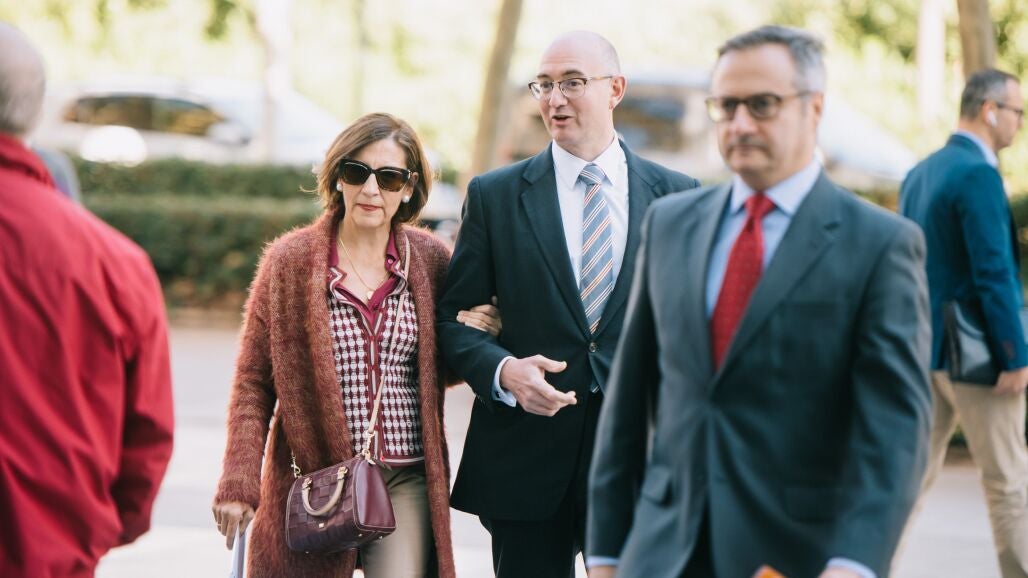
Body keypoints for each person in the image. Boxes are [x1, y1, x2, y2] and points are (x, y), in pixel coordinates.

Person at [587, 25, 932, 578]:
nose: (741, 123)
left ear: (814, 108)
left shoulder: (880, 244)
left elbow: (894, 429)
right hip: (661, 554)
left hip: (797, 555)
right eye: (726, 106)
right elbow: (627, 405)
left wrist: (855, 563)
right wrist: (605, 555)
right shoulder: (670, 224)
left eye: (762, 105)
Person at [436, 31, 699, 578]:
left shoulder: (679, 196)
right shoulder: (495, 196)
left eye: (573, 83)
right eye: (544, 85)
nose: (554, 99)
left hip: (639, 461)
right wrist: (504, 372)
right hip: (525, 462)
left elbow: (695, 326)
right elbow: (453, 322)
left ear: (615, 89)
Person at [211, 112, 500, 578]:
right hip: (315, 479)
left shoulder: (431, 261)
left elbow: (441, 367)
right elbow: (253, 383)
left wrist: (476, 332)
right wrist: (239, 481)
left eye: (389, 178)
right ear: (337, 177)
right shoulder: (289, 263)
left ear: (409, 188)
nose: (370, 190)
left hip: (404, 477)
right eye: (356, 172)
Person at [0, 22, 174, 578]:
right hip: (56, 554)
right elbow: (146, 440)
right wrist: (91, 529)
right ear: (36, 111)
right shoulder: (117, 265)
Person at [899, 68, 1028, 578]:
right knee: (1008, 482)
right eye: (1017, 112)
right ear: (990, 111)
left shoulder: (919, 172)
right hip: (977, 356)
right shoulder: (978, 174)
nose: (1020, 123)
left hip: (924, 350)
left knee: (907, 483)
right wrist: (1015, 355)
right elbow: (993, 273)